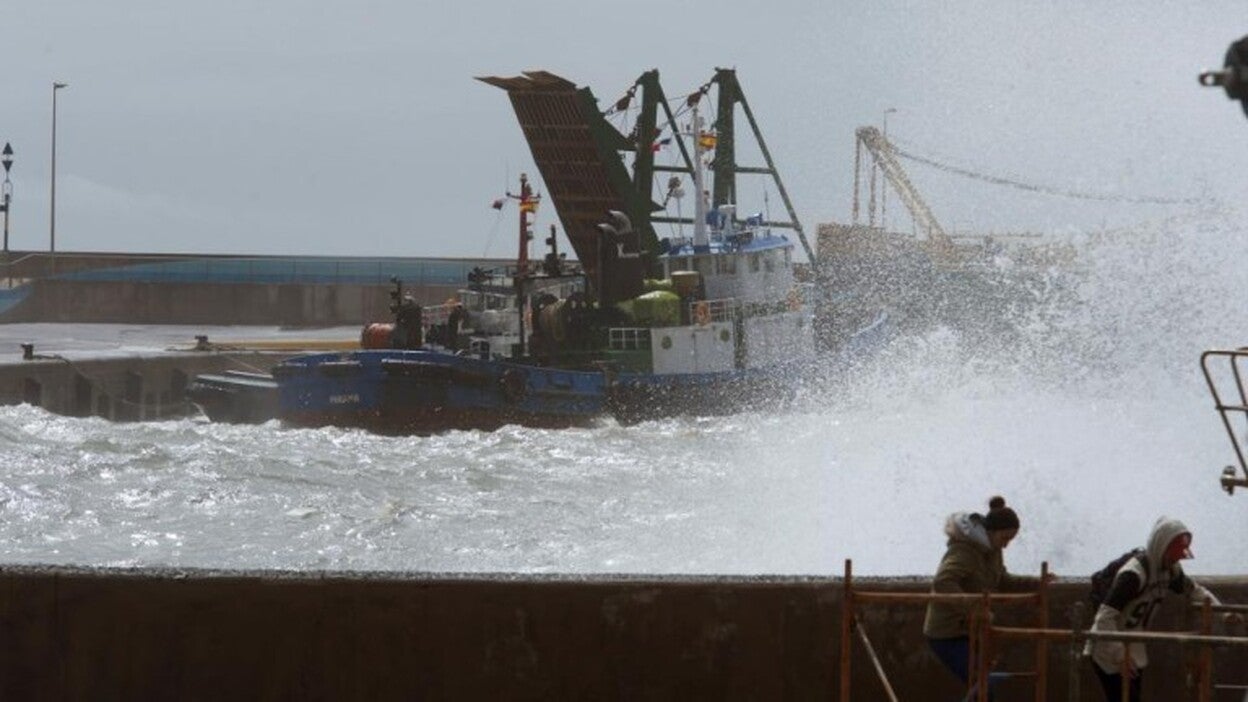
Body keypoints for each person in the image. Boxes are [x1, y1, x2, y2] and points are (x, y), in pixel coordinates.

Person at [1085, 516, 1237, 702]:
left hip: (1133, 647)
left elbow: (1195, 591)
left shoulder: (1170, 570)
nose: (1177, 559)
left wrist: (1223, 613)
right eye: (1174, 554)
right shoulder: (1134, 575)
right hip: (1109, 648)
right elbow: (1104, 617)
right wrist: (1119, 655)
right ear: (1162, 547)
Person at [924, 496, 1047, 701]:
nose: (1006, 546)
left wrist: (1036, 582)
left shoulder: (993, 550)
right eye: (1004, 539)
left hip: (971, 630)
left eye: (1010, 541)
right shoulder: (965, 551)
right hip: (947, 633)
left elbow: (1002, 580)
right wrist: (974, 608)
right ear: (991, 532)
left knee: (982, 685)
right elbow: (943, 582)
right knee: (982, 687)